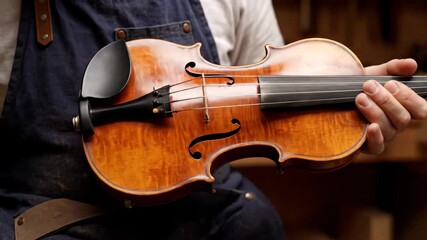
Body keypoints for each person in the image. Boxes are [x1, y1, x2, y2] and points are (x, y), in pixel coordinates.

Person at [0, 1, 425, 240]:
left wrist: (348, 102)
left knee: (258, 226)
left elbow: (273, 97)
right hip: (59, 214)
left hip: (196, 200)